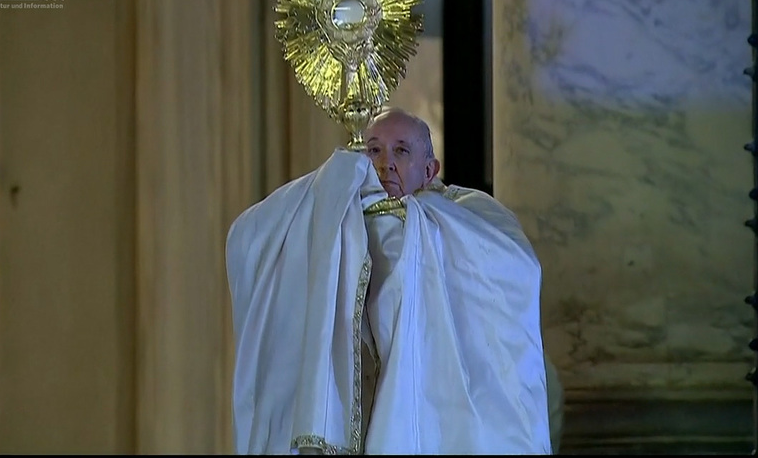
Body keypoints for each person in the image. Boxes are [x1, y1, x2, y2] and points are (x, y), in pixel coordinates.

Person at [226, 107, 560, 454]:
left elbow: (515, 267)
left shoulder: (466, 215)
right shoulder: (336, 216)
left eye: (401, 151)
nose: (385, 164)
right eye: (373, 150)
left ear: (429, 170)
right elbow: (250, 234)